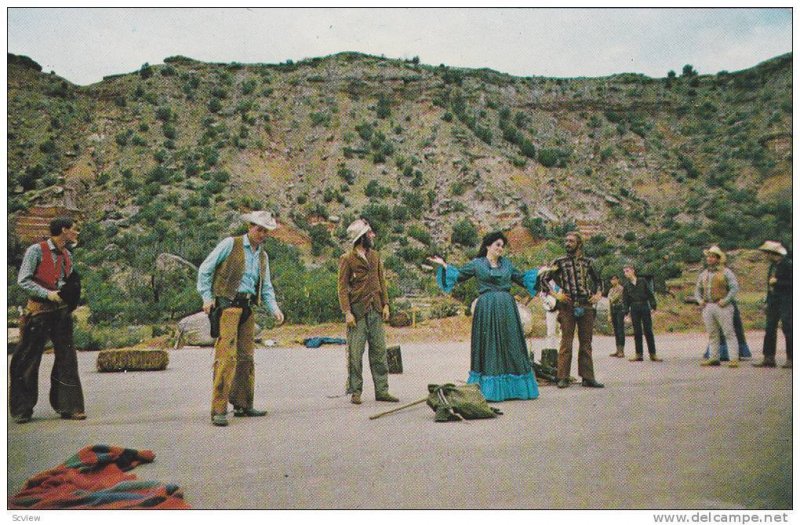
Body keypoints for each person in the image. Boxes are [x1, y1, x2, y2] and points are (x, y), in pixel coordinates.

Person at [429, 232, 541, 402]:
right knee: (490, 346)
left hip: (507, 309)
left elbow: (523, 279)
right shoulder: (477, 264)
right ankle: (490, 390)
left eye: (502, 246)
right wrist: (444, 265)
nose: (500, 248)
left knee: (510, 344)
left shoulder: (507, 265)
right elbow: (458, 275)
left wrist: (540, 273)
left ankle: (514, 389)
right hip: (487, 309)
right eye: (497, 244)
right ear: (488, 246)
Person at [197, 211, 285, 427]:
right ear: (250, 227)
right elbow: (205, 270)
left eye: (266, 231)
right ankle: (219, 409)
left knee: (246, 357)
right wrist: (207, 297)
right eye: (259, 229)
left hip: (247, 308)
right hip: (227, 306)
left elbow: (266, 287)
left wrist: (274, 309)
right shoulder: (230, 244)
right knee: (226, 357)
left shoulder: (262, 256)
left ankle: (243, 404)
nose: (262, 234)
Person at [10, 217, 85, 424]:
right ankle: (22, 409)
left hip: (61, 312)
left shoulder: (67, 255)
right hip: (39, 311)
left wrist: (69, 297)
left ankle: (70, 406)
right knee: (27, 359)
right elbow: (23, 280)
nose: (76, 233)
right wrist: (46, 294)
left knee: (67, 358)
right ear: (63, 230)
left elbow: (68, 280)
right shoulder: (36, 250)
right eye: (73, 229)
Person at [337, 219, 398, 405]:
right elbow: (342, 288)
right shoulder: (347, 259)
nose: (372, 236)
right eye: (369, 233)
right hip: (357, 313)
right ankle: (356, 391)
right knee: (355, 354)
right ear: (361, 237)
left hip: (376, 310)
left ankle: (382, 390)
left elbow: (382, 281)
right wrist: (347, 312)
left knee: (379, 352)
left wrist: (386, 304)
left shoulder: (375, 256)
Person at [542, 231, 605, 389]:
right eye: (566, 240)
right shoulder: (560, 262)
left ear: (579, 243)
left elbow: (599, 280)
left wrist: (598, 295)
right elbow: (544, 279)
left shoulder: (588, 262)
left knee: (586, 342)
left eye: (571, 241)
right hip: (567, 305)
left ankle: (587, 377)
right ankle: (562, 377)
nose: (567, 243)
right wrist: (556, 295)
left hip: (586, 304)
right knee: (566, 342)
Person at [695, 245, 740, 368]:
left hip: (722, 306)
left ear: (718, 259)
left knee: (728, 332)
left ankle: (733, 359)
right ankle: (714, 357)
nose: (709, 259)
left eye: (712, 257)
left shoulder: (726, 272)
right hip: (708, 305)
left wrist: (726, 300)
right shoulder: (704, 274)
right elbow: (697, 290)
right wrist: (700, 301)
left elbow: (734, 288)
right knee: (712, 333)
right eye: (708, 257)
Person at [753, 241, 792, 369]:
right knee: (770, 327)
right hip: (773, 300)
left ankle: (791, 358)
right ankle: (768, 357)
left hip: (786, 299)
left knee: (788, 327)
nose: (765, 256)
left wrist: (778, 282)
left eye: (767, 253)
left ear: (772, 253)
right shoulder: (773, 266)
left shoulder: (788, 265)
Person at [622, 263, 662, 362]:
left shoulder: (642, 281)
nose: (625, 273)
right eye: (624, 272)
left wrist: (653, 306)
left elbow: (650, 293)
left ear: (633, 271)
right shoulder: (626, 286)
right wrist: (626, 313)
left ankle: (653, 354)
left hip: (644, 306)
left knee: (648, 330)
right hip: (634, 308)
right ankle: (639, 354)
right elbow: (625, 300)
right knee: (637, 332)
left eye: (627, 271)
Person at [607, 275, 626, 358]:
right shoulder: (611, 290)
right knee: (615, 330)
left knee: (620, 330)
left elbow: (614, 298)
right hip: (613, 310)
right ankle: (617, 349)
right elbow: (609, 302)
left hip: (620, 310)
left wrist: (610, 298)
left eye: (615, 279)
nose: (613, 281)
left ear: (618, 280)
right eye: (612, 279)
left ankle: (621, 350)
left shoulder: (621, 288)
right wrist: (609, 314)